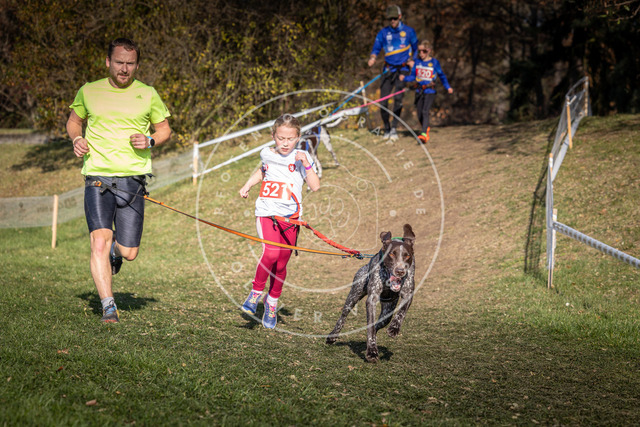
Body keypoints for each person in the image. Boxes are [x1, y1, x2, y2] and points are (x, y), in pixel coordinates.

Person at [66, 38, 171, 323]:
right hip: (97, 177)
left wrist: (150, 140)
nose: (124, 69)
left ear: (137, 65)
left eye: (130, 63)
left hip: (132, 179)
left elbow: (164, 130)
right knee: (99, 241)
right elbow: (74, 121)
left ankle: (116, 249)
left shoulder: (148, 94)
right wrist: (76, 138)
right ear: (108, 62)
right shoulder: (89, 91)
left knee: (130, 251)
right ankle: (108, 306)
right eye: (119, 62)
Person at [238, 114, 320, 329]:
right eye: (281, 138)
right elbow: (263, 171)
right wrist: (247, 185)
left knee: (281, 264)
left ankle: (271, 302)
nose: (285, 143)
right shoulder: (266, 153)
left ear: (298, 137)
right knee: (271, 253)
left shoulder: (302, 157)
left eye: (290, 139)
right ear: (273, 136)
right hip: (267, 213)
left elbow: (315, 186)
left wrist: (306, 164)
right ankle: (255, 293)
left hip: (291, 218)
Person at [367, 5, 418, 141]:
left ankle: (394, 128)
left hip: (403, 69)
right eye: (390, 19)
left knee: (398, 99)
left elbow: (416, 49)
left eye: (395, 18)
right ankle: (387, 128)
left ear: (400, 17)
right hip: (388, 69)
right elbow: (376, 48)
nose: (393, 21)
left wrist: (412, 61)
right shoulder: (383, 33)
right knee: (383, 101)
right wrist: (373, 58)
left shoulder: (409, 32)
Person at [400, 40, 453, 143]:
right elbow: (413, 76)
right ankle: (426, 128)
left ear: (429, 50)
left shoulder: (434, 63)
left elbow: (442, 76)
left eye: (424, 51)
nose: (421, 53)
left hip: (430, 90)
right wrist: (404, 78)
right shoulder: (417, 62)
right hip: (419, 90)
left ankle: (423, 133)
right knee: (419, 112)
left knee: (425, 111)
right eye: (419, 51)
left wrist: (448, 87)